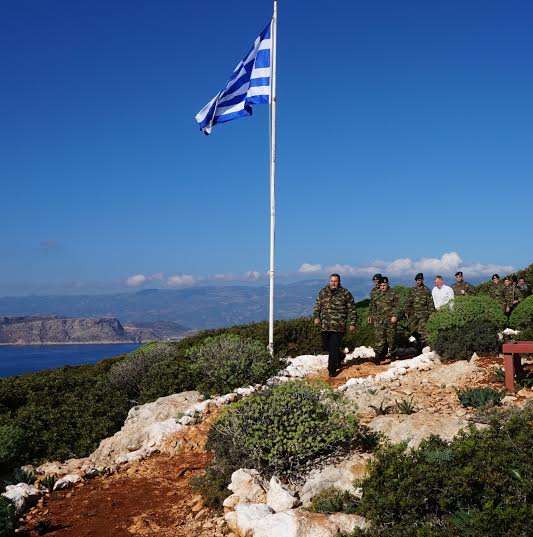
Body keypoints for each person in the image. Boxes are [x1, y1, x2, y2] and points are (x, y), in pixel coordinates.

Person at [313, 274, 357, 377]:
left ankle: (332, 370)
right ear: (329, 281)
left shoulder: (345, 293)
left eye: (335, 281)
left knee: (333, 348)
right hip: (325, 325)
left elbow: (352, 309)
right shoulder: (323, 292)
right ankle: (340, 355)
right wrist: (316, 317)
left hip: (338, 326)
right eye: (332, 281)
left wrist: (352, 323)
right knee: (325, 346)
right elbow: (317, 306)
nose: (333, 283)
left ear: (339, 282)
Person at [372, 276, 400, 363]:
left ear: (388, 284)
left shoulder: (393, 293)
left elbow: (398, 307)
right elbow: (372, 306)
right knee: (379, 338)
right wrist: (371, 316)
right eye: (381, 285)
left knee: (391, 339)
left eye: (384, 285)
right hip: (379, 321)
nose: (382, 287)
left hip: (390, 321)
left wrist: (395, 316)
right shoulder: (376, 294)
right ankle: (378, 356)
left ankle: (393, 355)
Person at [405, 273, 435, 351]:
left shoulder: (426, 290)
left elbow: (430, 303)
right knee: (412, 330)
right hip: (414, 314)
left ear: (422, 280)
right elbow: (408, 302)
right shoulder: (412, 290)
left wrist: (431, 314)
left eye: (419, 280)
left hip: (423, 314)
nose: (418, 282)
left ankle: (424, 347)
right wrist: (406, 311)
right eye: (417, 280)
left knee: (422, 331)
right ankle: (417, 345)